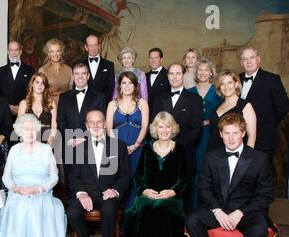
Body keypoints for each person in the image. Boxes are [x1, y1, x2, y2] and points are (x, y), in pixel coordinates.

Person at [186, 113, 276, 237]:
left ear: (243, 133)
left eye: (235, 133)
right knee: (192, 220)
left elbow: (265, 195)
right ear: (220, 134)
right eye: (226, 133)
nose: (231, 137)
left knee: (259, 229)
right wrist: (217, 211)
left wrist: (240, 213)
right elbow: (203, 187)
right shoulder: (211, 156)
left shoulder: (260, 158)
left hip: (246, 209)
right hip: (218, 207)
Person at [0, 114, 71, 237]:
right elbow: (6, 177)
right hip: (18, 192)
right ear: (20, 131)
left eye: (33, 128)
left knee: (34, 206)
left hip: (41, 192)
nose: (30, 132)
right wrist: (15, 188)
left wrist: (39, 189)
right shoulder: (14, 150)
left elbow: (54, 177)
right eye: (26, 129)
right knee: (19, 206)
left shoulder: (46, 149)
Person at [123, 111, 187, 237]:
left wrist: (172, 191)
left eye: (168, 126)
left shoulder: (180, 150)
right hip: (148, 194)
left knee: (159, 208)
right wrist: (144, 190)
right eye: (161, 126)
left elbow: (184, 179)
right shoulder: (147, 148)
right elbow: (138, 176)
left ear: (173, 128)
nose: (164, 130)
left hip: (171, 198)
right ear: (155, 129)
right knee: (143, 208)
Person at [67, 110, 130, 237]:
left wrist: (115, 190)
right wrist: (81, 193)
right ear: (86, 126)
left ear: (105, 124)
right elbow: (73, 176)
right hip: (86, 193)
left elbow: (125, 175)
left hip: (107, 193)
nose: (95, 126)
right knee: (72, 212)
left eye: (99, 122)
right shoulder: (78, 148)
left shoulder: (119, 146)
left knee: (109, 209)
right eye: (91, 123)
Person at [152, 63, 203, 213]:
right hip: (162, 154)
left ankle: (183, 232)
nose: (174, 77)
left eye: (178, 73)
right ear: (167, 76)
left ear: (184, 75)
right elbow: (154, 126)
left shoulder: (195, 99)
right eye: (171, 74)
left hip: (185, 154)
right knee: (162, 194)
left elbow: (196, 129)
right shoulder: (159, 98)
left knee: (183, 195)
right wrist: (165, 148)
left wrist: (176, 148)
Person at [57, 63, 106, 198]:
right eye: (77, 74)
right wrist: (71, 139)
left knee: (91, 182)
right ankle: (72, 214)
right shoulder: (64, 97)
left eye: (83, 73)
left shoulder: (99, 96)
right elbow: (60, 121)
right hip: (70, 145)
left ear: (88, 76)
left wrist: (84, 138)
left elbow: (101, 122)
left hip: (91, 144)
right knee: (70, 182)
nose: (80, 77)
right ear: (72, 76)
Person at [106, 71, 149, 210]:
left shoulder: (142, 103)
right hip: (118, 149)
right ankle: (122, 221)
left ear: (136, 85)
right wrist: (119, 148)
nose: (127, 86)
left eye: (130, 83)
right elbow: (109, 129)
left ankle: (136, 219)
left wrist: (136, 145)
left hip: (138, 148)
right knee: (120, 179)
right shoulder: (112, 104)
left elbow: (145, 126)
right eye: (124, 82)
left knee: (137, 180)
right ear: (119, 85)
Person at [239, 47, 289, 155]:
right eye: (245, 59)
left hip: (263, 138)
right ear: (241, 63)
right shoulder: (236, 79)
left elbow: (283, 107)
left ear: (258, 59)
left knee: (262, 170)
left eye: (252, 57)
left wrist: (268, 124)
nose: (248, 61)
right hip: (237, 139)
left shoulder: (272, 79)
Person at [188, 57, 223, 209]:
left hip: (210, 137)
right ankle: (191, 211)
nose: (202, 73)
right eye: (200, 70)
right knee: (192, 173)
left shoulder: (218, 94)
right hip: (191, 139)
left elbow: (224, 117)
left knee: (208, 174)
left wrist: (210, 122)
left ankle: (208, 210)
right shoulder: (188, 92)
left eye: (206, 70)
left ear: (211, 73)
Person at [207, 70, 256, 151]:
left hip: (234, 155)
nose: (226, 87)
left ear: (236, 84)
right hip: (212, 154)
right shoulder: (216, 108)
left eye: (229, 82)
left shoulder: (245, 106)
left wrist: (246, 159)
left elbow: (252, 136)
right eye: (222, 84)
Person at [0, 41, 34, 117]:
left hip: (24, 112)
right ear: (8, 52)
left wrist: (21, 106)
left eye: (16, 50)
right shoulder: (0, 71)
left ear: (20, 51)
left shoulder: (30, 70)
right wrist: (8, 106)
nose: (13, 53)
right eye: (11, 50)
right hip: (5, 112)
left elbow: (32, 92)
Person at [18, 72, 57, 145]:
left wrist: (51, 138)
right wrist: (25, 140)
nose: (40, 85)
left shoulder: (51, 103)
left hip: (48, 141)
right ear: (32, 84)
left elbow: (54, 123)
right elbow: (19, 125)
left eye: (43, 83)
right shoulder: (23, 104)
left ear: (45, 86)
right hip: (28, 141)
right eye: (37, 82)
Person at [81, 34, 115, 105]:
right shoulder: (80, 65)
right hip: (85, 104)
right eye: (90, 46)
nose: (93, 48)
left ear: (99, 46)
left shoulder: (109, 65)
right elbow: (77, 85)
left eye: (95, 45)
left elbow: (110, 87)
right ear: (86, 47)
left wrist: (100, 101)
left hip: (103, 104)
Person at [39, 38, 73, 106]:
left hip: (66, 106)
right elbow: (41, 93)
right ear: (48, 53)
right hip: (49, 106)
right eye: (52, 51)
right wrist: (60, 93)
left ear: (61, 52)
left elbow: (71, 92)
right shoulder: (42, 70)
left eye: (58, 51)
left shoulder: (69, 69)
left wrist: (56, 93)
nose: (55, 54)